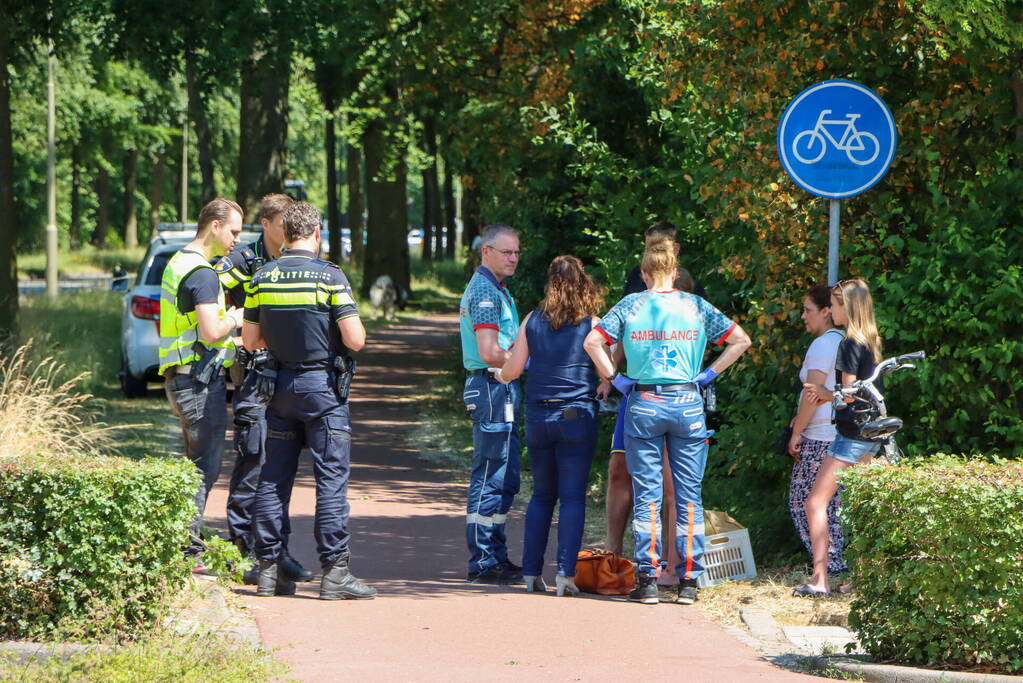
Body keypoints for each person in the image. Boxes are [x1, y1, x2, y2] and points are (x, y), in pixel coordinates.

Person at [584, 239, 751, 605]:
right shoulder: (695, 305)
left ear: (644, 274)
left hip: (643, 400)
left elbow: (593, 343)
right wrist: (708, 374)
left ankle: (647, 579)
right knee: (689, 495)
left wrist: (616, 378)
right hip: (687, 401)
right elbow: (740, 340)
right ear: (675, 272)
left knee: (647, 494)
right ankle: (689, 581)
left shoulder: (632, 304)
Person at [243, 201, 375, 600]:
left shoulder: (262, 277)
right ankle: (334, 572)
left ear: (283, 235)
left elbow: (251, 342)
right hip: (323, 391)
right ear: (316, 233)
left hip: (278, 389)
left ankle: (268, 570)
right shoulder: (330, 277)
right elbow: (355, 340)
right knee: (330, 480)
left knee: (272, 480)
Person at [491, 255, 607, 596]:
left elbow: (512, 370)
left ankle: (530, 573)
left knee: (541, 495)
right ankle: (566, 576)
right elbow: (606, 371)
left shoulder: (532, 320)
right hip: (576, 416)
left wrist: (499, 374)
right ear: (582, 282)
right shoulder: (592, 324)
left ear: (550, 282)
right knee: (572, 497)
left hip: (538, 417)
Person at [215, 193, 312, 584]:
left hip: (286, 378)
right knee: (252, 461)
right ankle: (242, 554)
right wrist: (234, 331)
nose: (292, 232)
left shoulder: (294, 262)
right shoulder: (242, 262)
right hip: (254, 376)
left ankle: (277, 551)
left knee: (280, 469)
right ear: (269, 224)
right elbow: (206, 294)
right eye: (285, 224)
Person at [606, 221, 700, 587]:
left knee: (672, 484)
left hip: (677, 395)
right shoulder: (635, 286)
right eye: (649, 245)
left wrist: (700, 375)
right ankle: (616, 553)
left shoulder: (690, 291)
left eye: (661, 245)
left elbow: (709, 336)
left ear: (675, 251)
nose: (654, 251)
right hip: (639, 393)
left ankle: (673, 566)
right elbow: (618, 333)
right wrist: (611, 375)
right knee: (621, 469)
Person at [158, 198, 244, 571]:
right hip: (199, 382)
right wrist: (237, 319)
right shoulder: (204, 273)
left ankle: (184, 544)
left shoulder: (179, 263)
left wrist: (233, 343)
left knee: (192, 466)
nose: (236, 240)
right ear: (214, 226)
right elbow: (211, 330)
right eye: (234, 231)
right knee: (202, 470)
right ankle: (188, 551)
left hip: (181, 377)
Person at [797, 278, 884, 597]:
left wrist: (823, 393)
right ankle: (860, 578)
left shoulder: (848, 343)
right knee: (856, 504)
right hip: (871, 433)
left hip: (850, 435)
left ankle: (820, 579)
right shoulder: (870, 340)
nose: (830, 309)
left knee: (815, 503)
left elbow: (848, 394)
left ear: (846, 307)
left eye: (833, 304)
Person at [459, 224, 523, 584]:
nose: (513, 258)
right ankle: (482, 562)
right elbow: (488, 351)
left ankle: (495, 555)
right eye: (506, 252)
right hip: (490, 386)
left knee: (505, 475)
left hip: (498, 387)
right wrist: (523, 362)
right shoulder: (485, 289)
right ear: (486, 252)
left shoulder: (497, 287)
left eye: (516, 253)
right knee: (489, 473)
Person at [787, 285, 847, 576]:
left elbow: (812, 394)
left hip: (820, 435)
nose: (803, 316)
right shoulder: (841, 341)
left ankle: (830, 565)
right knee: (828, 504)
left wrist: (797, 431)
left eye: (809, 310)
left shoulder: (824, 344)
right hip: (834, 433)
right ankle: (833, 564)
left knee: (805, 502)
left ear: (826, 312)